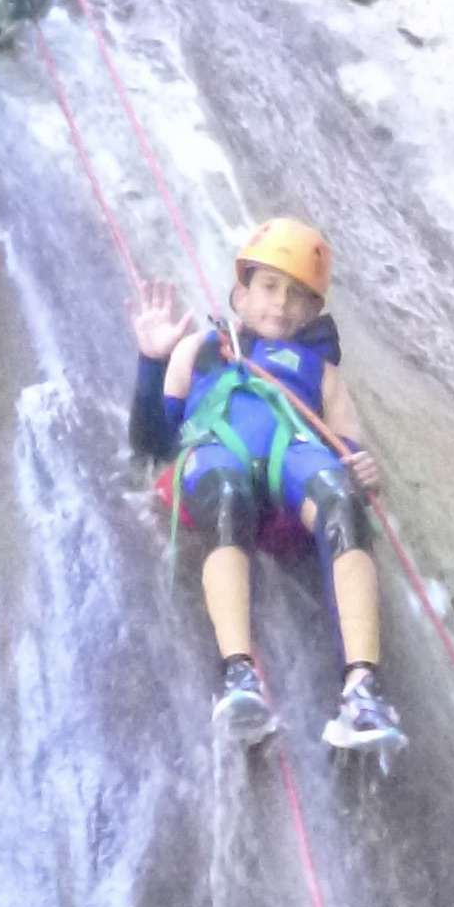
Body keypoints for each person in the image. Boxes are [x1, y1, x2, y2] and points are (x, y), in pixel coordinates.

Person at [130, 217, 403, 755]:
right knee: (226, 493)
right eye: (270, 287)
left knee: (341, 501)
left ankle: (362, 691)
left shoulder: (322, 375)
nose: (282, 304)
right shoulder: (202, 348)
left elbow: (348, 449)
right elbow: (151, 443)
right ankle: (239, 675)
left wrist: (363, 469)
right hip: (216, 451)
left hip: (293, 459)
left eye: (299, 296)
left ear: (313, 311)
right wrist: (151, 360)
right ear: (242, 292)